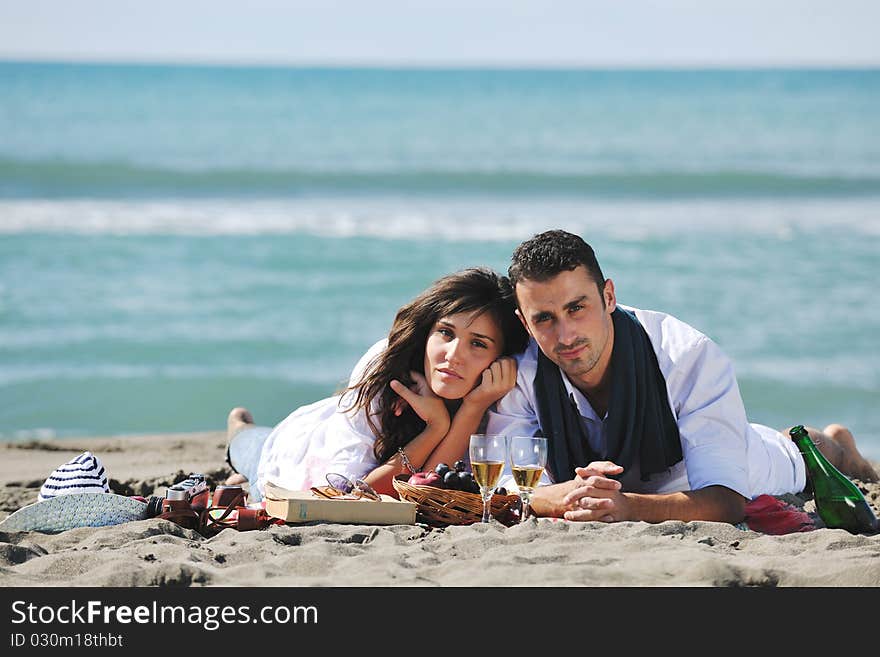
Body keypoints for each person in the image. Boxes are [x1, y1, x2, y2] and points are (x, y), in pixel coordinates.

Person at [486, 229, 878, 525]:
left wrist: (627, 506)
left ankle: (843, 448)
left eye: (577, 308)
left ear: (608, 297)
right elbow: (505, 484)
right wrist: (566, 496)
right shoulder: (525, 372)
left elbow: (726, 500)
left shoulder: (686, 354)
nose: (566, 335)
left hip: (744, 463)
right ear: (525, 321)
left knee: (807, 454)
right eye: (545, 319)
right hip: (636, 480)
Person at [224, 267, 529, 502]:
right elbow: (354, 496)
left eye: (478, 343)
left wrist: (470, 410)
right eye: (446, 333)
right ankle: (238, 425)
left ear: (499, 356)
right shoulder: (384, 365)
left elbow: (423, 485)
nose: (453, 356)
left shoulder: (502, 390)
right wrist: (435, 428)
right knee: (251, 449)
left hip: (361, 455)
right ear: (426, 333)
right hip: (302, 452)